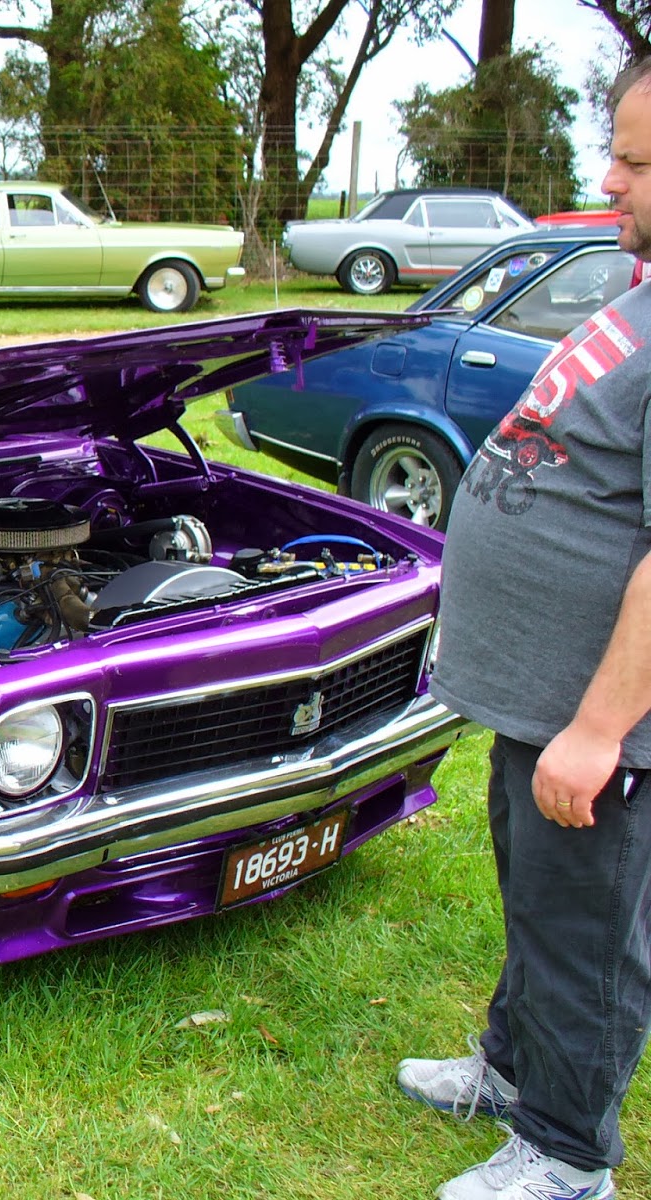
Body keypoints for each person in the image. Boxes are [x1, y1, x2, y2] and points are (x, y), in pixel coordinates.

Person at [398, 56, 651, 1200]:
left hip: (595, 723)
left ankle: (563, 1156)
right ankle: (509, 1071)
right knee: (535, 901)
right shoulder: (640, 295)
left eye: (640, 162)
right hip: (536, 701)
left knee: (585, 938)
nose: (610, 178)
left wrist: (598, 730)